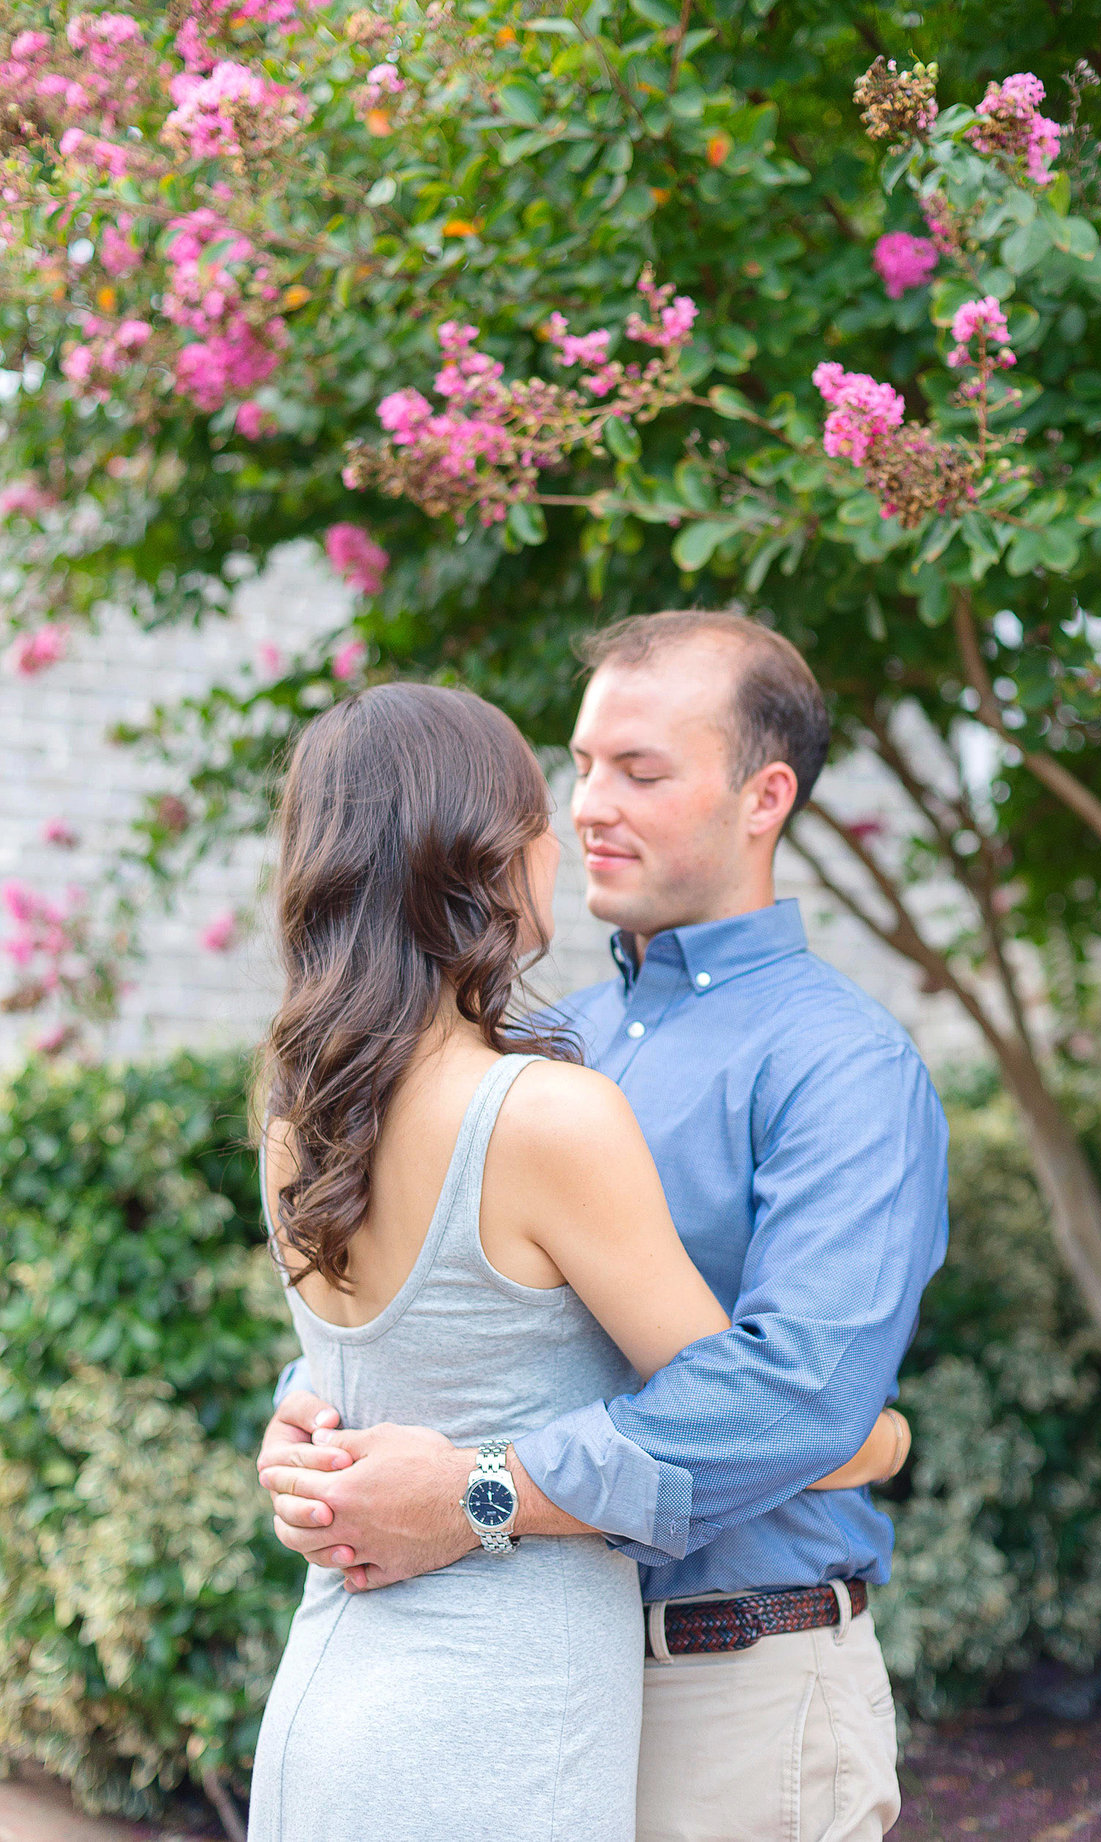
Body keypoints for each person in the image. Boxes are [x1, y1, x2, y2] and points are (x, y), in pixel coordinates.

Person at [257, 614, 949, 1841]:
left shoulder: (842, 1065)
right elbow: (460, 1313)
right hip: (514, 1686)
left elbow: (795, 1399)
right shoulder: (543, 1055)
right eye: (576, 767)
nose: (586, 808)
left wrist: (476, 1490)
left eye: (640, 770)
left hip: (726, 1687)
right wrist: (318, 1424)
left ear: (762, 795)